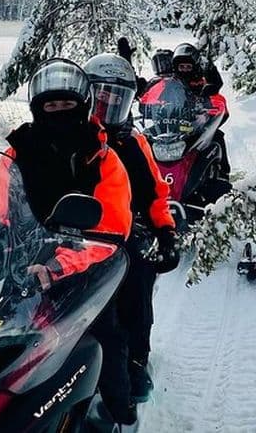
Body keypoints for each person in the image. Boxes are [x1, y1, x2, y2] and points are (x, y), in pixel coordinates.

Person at [0, 58, 137, 425]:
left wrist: (59, 264)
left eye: (67, 105)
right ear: (37, 108)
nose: (59, 112)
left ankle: (117, 407)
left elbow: (109, 230)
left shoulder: (103, 159)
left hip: (84, 267)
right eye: (51, 105)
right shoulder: (18, 151)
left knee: (105, 335)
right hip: (21, 261)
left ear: (82, 106)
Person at [85, 52, 180, 404]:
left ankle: (136, 360)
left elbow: (156, 194)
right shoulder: (74, 138)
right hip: (70, 240)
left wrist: (166, 232)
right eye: (101, 94)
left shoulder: (133, 143)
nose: (108, 103)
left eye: (117, 96)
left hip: (124, 241)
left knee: (137, 288)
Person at [171, 42, 231, 177]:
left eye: (188, 67)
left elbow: (220, 105)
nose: (185, 70)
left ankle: (222, 173)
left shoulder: (202, 84)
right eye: (182, 67)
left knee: (217, 137)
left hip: (197, 129)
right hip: (172, 127)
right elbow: (152, 97)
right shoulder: (170, 85)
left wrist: (210, 108)